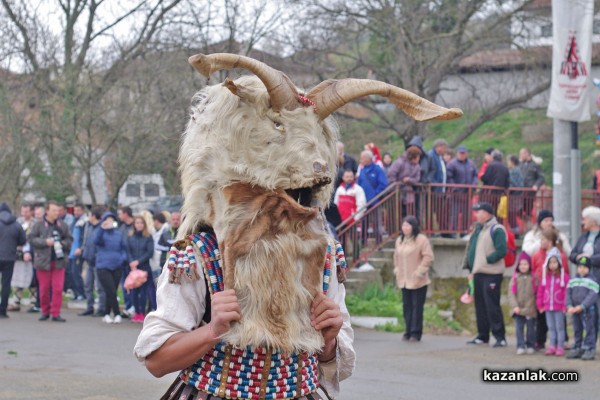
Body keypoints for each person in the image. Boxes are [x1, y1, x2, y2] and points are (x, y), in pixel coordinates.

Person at [463, 202, 508, 347]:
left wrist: (487, 260)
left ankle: (500, 337)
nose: (477, 214)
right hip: (478, 273)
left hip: (492, 273)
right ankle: (483, 335)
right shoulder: (478, 229)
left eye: (479, 211)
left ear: (488, 213)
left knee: (492, 306)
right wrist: (471, 269)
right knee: (480, 306)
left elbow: (502, 250)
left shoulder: (497, 229)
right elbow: (471, 250)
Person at [28, 201, 72, 322]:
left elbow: (69, 240)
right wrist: (45, 242)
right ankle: (45, 311)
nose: (56, 213)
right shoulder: (38, 225)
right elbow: (31, 239)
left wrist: (61, 244)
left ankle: (56, 313)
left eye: (57, 210)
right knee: (44, 289)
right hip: (43, 262)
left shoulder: (63, 225)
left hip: (59, 261)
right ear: (47, 211)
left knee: (58, 288)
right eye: (54, 210)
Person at [393, 216, 433, 342]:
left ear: (413, 227)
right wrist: (397, 269)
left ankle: (416, 332)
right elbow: (396, 256)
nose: (405, 228)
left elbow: (428, 257)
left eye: (407, 225)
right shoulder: (399, 240)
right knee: (407, 306)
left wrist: (420, 271)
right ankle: (408, 330)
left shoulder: (421, 240)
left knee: (417, 307)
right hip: (403, 279)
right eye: (403, 225)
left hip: (418, 280)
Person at [530, 227, 569, 351]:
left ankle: (561, 344)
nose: (541, 242)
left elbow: (566, 281)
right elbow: (533, 272)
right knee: (546, 323)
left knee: (559, 324)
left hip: (557, 300)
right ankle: (547, 343)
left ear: (550, 241)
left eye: (543, 239)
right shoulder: (537, 256)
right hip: (545, 298)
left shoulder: (561, 258)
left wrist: (565, 303)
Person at [94, 211, 128, 324]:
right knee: (110, 290)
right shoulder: (100, 232)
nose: (109, 221)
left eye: (111, 219)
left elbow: (124, 248)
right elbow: (95, 241)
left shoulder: (118, 233)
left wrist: (122, 258)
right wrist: (101, 228)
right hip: (103, 265)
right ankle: (117, 313)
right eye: (107, 219)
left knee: (111, 291)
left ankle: (106, 313)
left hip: (117, 265)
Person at [536, 247, 569, 357]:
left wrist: (565, 305)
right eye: (550, 262)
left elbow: (566, 292)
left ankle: (560, 346)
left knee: (560, 327)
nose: (552, 264)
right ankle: (552, 346)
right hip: (548, 307)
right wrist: (540, 304)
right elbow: (540, 291)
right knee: (551, 327)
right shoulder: (546, 277)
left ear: (559, 262)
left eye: (555, 262)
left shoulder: (564, 277)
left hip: (559, 307)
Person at [566, 256, 599, 360]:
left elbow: (592, 296)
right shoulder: (573, 280)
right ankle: (577, 346)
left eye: (585, 267)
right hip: (575, 310)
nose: (582, 269)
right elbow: (568, 293)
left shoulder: (593, 281)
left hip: (588, 311)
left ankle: (589, 348)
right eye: (580, 266)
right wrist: (569, 305)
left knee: (589, 329)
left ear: (589, 268)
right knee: (577, 329)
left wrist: (583, 306)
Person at [7, 203, 36, 312]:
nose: (24, 214)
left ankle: (33, 302)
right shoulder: (17, 222)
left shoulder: (36, 223)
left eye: (27, 212)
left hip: (31, 254)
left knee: (32, 278)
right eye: (23, 211)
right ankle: (16, 301)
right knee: (17, 277)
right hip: (18, 254)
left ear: (31, 212)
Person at [0, 203, 27, 318]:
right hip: (10, 258)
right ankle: (3, 310)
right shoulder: (16, 225)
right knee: (6, 284)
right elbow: (23, 240)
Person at [126, 215, 155, 322]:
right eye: (137, 223)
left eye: (141, 223)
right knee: (134, 292)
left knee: (143, 292)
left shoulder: (148, 237)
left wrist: (138, 261)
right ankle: (136, 312)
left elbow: (149, 252)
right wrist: (131, 262)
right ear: (134, 224)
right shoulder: (130, 237)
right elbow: (128, 251)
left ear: (144, 225)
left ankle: (142, 312)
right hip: (133, 269)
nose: (139, 225)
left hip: (144, 268)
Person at [508, 252, 537, 355]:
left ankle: (530, 345)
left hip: (530, 309)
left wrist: (534, 306)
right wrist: (514, 306)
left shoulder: (533, 278)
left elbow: (536, 293)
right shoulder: (515, 278)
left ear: (529, 265)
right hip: (518, 309)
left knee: (530, 329)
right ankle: (520, 345)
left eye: (525, 264)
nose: (523, 266)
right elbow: (511, 293)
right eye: (521, 264)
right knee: (519, 328)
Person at [78, 207, 105, 317]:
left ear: (93, 216)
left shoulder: (101, 228)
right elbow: (85, 241)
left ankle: (101, 308)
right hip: (88, 260)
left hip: (98, 261)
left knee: (99, 287)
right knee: (88, 285)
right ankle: (89, 306)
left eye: (89, 215)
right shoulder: (88, 226)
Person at [447, 146, 478, 233]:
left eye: (463, 153)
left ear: (466, 154)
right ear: (457, 153)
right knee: (454, 214)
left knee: (466, 214)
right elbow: (449, 177)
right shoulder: (452, 164)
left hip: (468, 194)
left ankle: (464, 231)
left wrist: (473, 185)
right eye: (460, 153)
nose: (462, 155)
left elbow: (475, 176)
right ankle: (453, 231)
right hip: (456, 194)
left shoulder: (471, 164)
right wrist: (455, 187)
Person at [387, 146, 421, 216]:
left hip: (409, 194)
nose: (419, 159)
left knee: (408, 214)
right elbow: (391, 175)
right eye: (417, 157)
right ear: (413, 157)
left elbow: (417, 178)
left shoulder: (417, 166)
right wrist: (398, 184)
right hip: (397, 193)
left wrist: (409, 180)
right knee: (396, 214)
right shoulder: (399, 163)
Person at [570, 206, 600, 282]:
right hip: (583, 280)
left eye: (585, 219)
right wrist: (577, 257)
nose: (583, 222)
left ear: (593, 221)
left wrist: (589, 258)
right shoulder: (583, 237)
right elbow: (572, 254)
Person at [66, 203, 87, 301]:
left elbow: (85, 237)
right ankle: (75, 293)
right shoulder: (74, 221)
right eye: (75, 211)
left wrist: (81, 248)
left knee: (76, 272)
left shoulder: (84, 222)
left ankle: (81, 293)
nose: (76, 213)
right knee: (71, 273)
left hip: (78, 251)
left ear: (82, 210)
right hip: (71, 251)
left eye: (78, 210)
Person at [518, 147, 545, 222]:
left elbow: (541, 177)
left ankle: (528, 224)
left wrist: (536, 185)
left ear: (526, 154)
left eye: (521, 154)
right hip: (520, 191)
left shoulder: (535, 165)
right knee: (518, 209)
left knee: (528, 210)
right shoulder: (520, 164)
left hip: (530, 191)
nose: (520, 156)